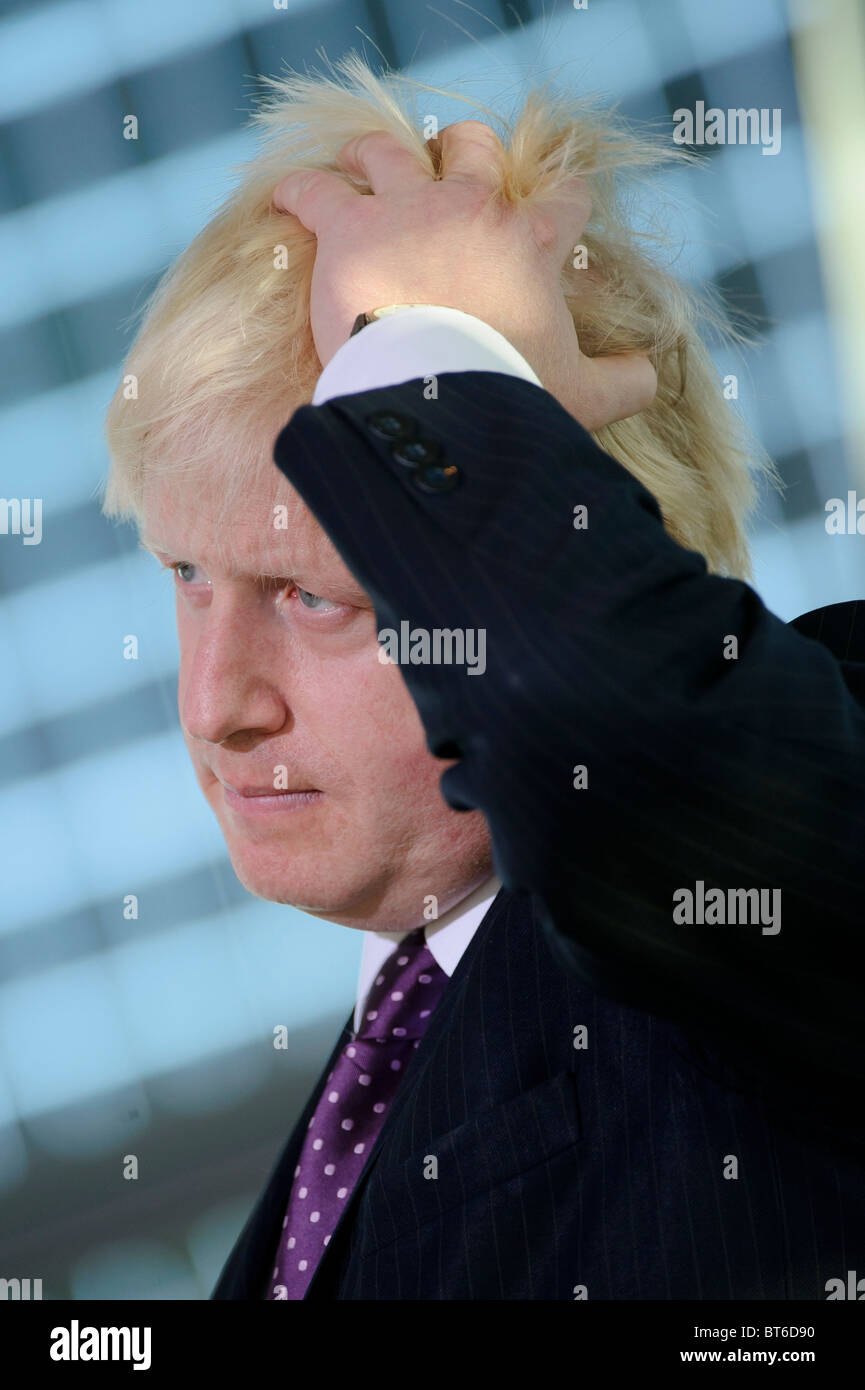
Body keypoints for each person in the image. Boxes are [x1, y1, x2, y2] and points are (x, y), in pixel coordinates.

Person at [102, 56, 865, 1300]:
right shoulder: (366, 1109)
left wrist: (429, 368)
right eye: (186, 573)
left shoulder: (759, 905)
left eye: (314, 595)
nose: (217, 706)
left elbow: (643, 744)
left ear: (595, 544)